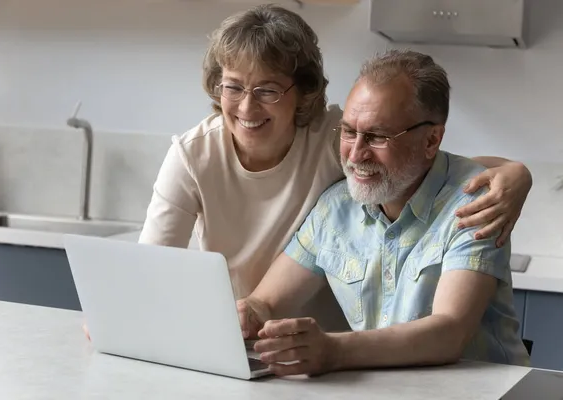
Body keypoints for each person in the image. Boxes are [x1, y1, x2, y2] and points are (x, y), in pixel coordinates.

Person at [136, 5, 532, 332]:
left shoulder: (334, 138)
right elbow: (149, 274)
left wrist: (516, 173)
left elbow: (424, 163)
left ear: (303, 91)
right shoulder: (193, 155)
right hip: (244, 333)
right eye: (233, 86)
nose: (246, 107)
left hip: (335, 349)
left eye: (268, 90)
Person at [236, 49, 531, 377]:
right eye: (348, 131)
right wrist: (249, 313)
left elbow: (449, 332)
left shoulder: (477, 203)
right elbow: (267, 303)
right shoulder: (336, 207)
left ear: (431, 139)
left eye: (377, 136)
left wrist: (334, 349)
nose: (356, 153)